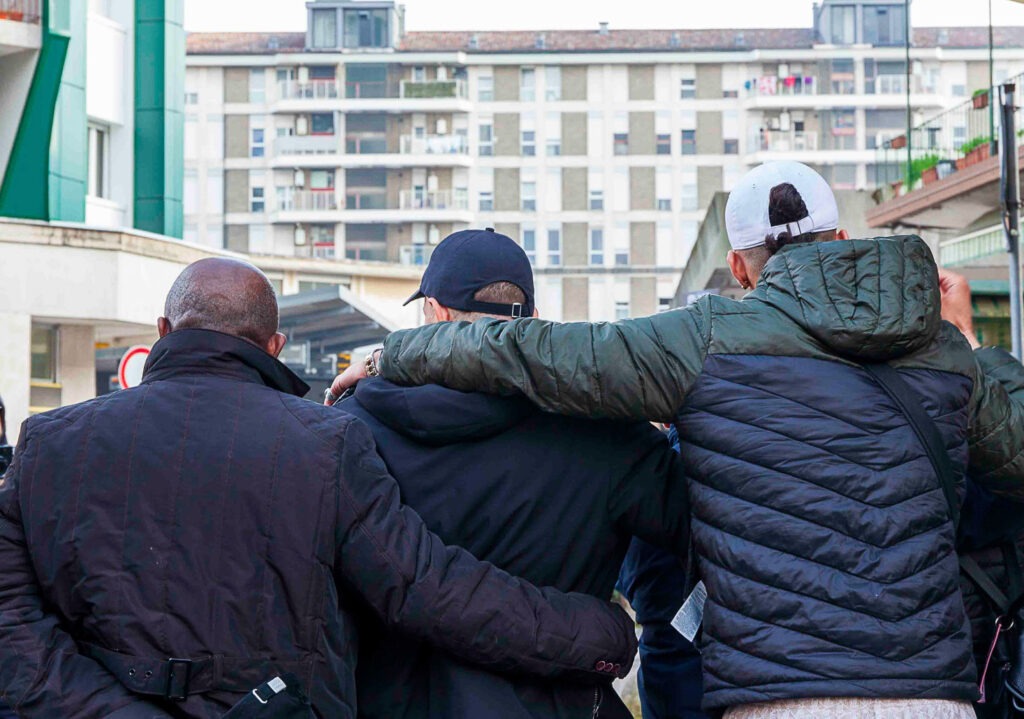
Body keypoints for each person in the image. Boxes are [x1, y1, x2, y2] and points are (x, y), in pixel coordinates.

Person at [330, 162, 1024, 718]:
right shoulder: (940, 352)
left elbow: (537, 354)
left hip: (777, 692)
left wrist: (393, 356)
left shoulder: (704, 342)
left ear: (740, 267)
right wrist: (966, 341)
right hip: (932, 689)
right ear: (841, 239)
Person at [0, 258, 637, 718]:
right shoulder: (323, 444)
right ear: (275, 345)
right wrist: (599, 634)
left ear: (164, 330)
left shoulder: (48, 442)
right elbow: (427, 589)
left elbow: (11, 621)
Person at [329, 228, 689, 719]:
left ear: (435, 311)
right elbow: (709, 526)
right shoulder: (607, 434)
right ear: (533, 320)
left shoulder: (351, 430)